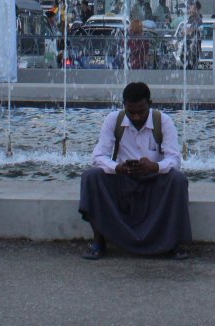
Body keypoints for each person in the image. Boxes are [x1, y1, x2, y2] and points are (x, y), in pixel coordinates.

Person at [79, 82, 190, 260]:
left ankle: (173, 242)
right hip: (124, 179)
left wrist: (155, 167)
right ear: (124, 106)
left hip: (154, 180)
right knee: (91, 177)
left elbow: (175, 160)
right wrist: (118, 167)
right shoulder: (114, 120)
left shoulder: (163, 121)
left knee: (178, 180)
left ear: (150, 104)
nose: (137, 116)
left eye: (141, 111)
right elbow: (99, 156)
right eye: (131, 112)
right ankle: (99, 240)